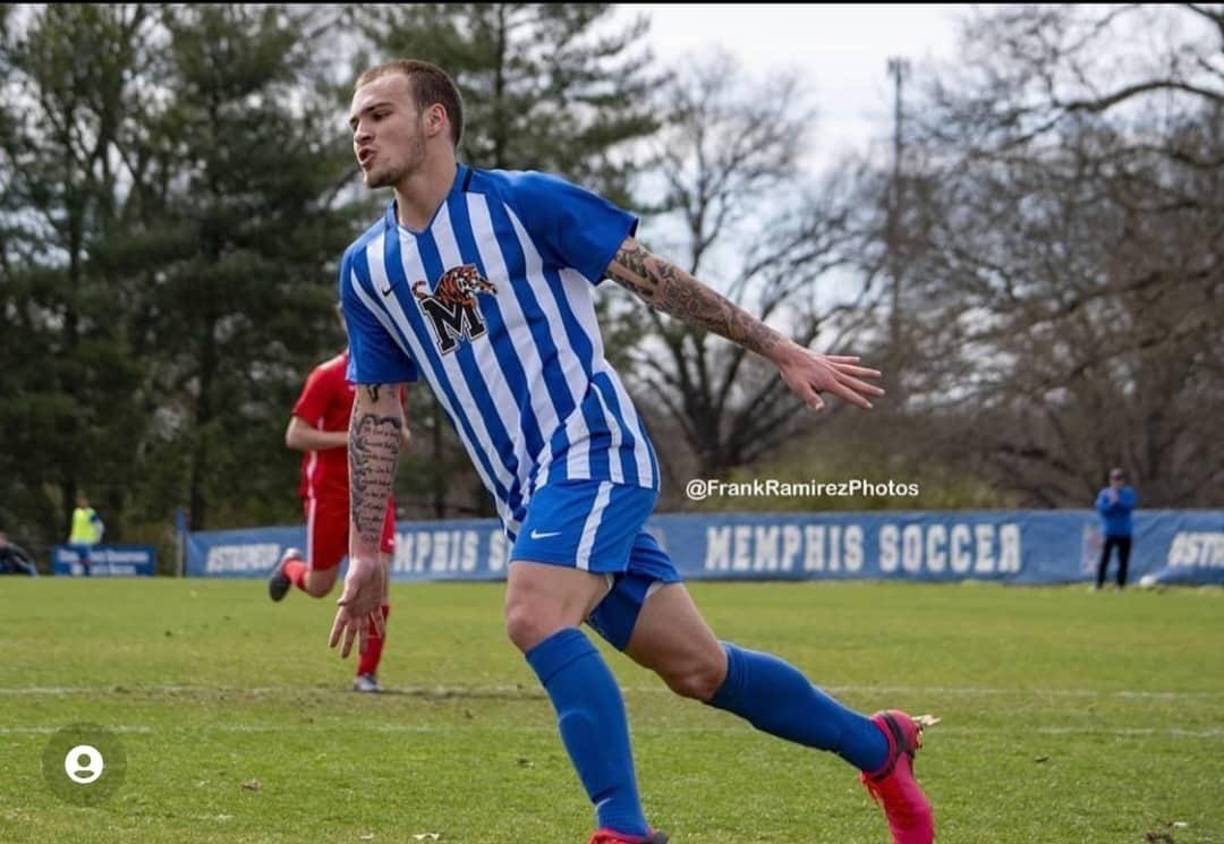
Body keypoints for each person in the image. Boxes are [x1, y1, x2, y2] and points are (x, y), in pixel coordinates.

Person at [328, 59, 936, 844]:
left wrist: (778, 347)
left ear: (436, 119)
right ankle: (880, 746)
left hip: (594, 445)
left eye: (378, 114)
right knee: (699, 670)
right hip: (529, 496)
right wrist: (364, 551)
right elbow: (377, 411)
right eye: (354, 122)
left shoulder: (523, 203)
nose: (361, 133)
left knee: (532, 612)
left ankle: (624, 830)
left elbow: (656, 280)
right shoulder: (368, 271)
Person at [267, 331, 411, 693]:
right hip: (328, 494)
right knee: (320, 586)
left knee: (379, 574)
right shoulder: (328, 376)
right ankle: (290, 565)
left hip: (375, 492)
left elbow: (398, 429)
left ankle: (367, 674)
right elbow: (295, 435)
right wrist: (352, 437)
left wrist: (395, 435)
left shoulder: (390, 377)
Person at [1095, 467, 1137, 590]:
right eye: (1114, 479)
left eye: (1119, 479)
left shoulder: (1128, 493)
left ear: (1123, 481)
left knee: (1123, 560)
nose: (1117, 482)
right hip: (1109, 532)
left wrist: (1118, 502)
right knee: (1104, 559)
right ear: (1110, 481)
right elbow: (1102, 509)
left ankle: (1120, 585)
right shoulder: (1104, 493)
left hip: (1125, 532)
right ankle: (1099, 584)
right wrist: (1111, 504)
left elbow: (1129, 507)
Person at [68, 493, 104, 577]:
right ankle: (86, 571)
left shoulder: (90, 512)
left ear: (86, 502)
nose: (81, 502)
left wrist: (98, 537)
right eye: (79, 501)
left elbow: (99, 525)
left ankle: (87, 573)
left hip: (87, 539)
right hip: (76, 539)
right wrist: (72, 536)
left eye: (83, 500)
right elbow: (75, 525)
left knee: (85, 556)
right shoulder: (76, 512)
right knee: (81, 558)